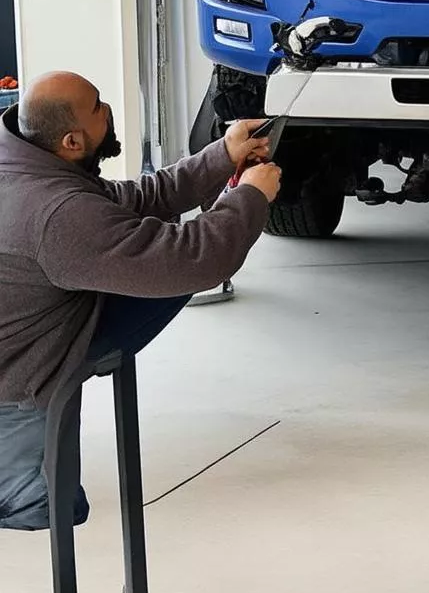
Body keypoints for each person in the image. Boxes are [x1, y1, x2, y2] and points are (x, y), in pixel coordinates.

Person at [0, 71, 281, 530]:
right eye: (98, 107)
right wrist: (249, 197)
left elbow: (127, 201)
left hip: (20, 348)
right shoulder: (55, 214)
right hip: (13, 398)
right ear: (71, 140)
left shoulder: (27, 163)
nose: (108, 110)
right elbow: (193, 259)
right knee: (41, 510)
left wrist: (221, 156)